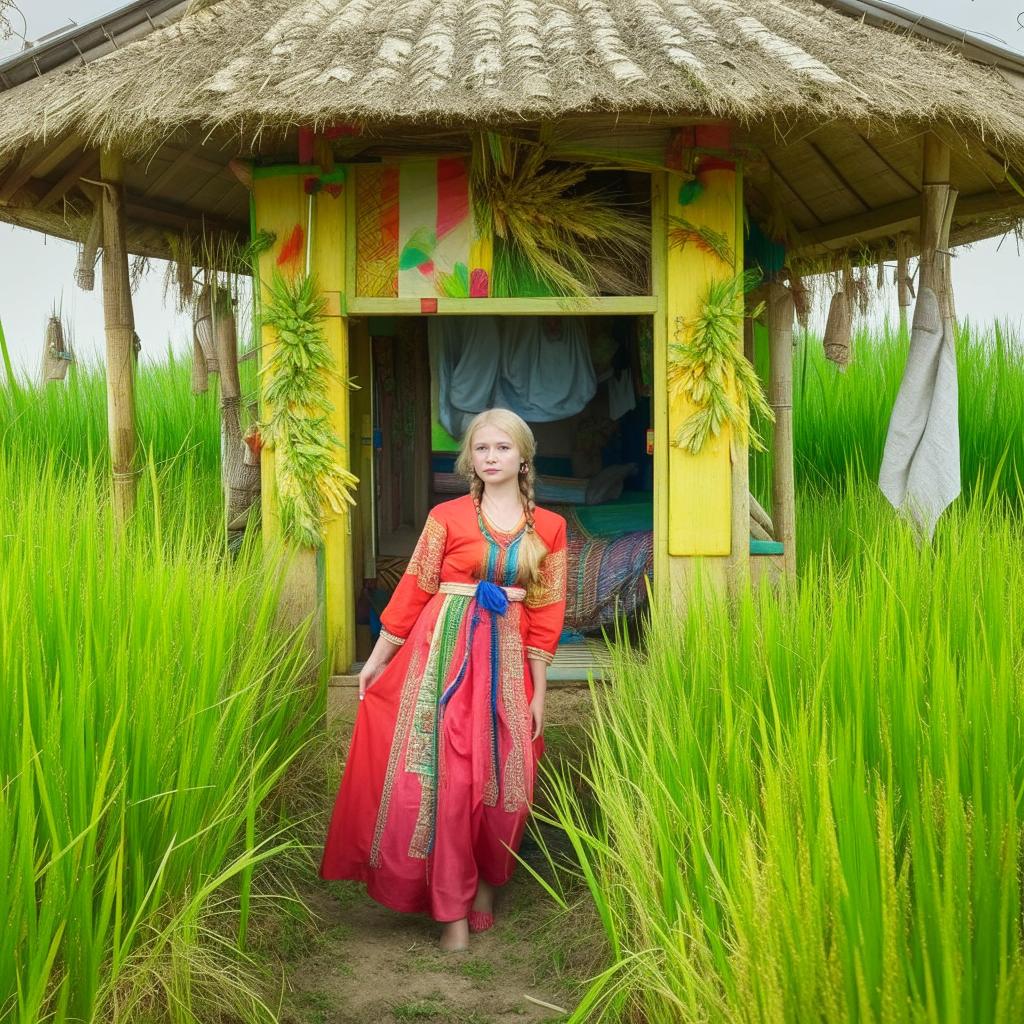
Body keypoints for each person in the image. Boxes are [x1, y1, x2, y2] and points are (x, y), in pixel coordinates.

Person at [319, 408, 568, 952]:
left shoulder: (549, 527)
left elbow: (548, 615)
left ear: (523, 456)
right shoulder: (447, 517)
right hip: (445, 661)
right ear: (470, 460)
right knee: (449, 783)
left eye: (502, 448)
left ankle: (483, 886)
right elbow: (413, 588)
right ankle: (451, 907)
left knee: (507, 785)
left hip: (506, 666)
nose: (492, 457)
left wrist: (539, 692)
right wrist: (378, 658)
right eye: (482, 449)